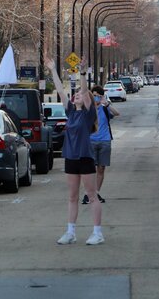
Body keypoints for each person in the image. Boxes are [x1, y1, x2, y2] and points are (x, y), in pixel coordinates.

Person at [45, 56, 104, 246]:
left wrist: (83, 73)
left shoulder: (88, 115)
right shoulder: (70, 112)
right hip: (70, 157)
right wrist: (53, 70)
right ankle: (70, 232)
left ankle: (97, 233)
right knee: (72, 197)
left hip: (85, 157)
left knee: (91, 195)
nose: (77, 95)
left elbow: (86, 91)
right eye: (75, 94)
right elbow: (61, 91)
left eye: (79, 94)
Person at [82, 85, 120, 205]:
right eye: (94, 96)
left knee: (101, 168)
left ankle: (96, 192)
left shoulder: (104, 109)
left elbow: (117, 113)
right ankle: (88, 193)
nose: (96, 98)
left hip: (105, 141)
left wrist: (106, 103)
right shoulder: (88, 109)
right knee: (90, 169)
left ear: (102, 96)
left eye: (98, 96)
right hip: (91, 141)